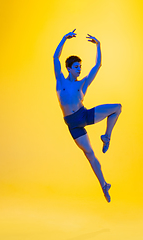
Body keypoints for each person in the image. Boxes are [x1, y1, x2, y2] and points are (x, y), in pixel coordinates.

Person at [53, 29, 122, 202]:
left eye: (80, 67)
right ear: (69, 68)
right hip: (73, 125)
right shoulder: (60, 81)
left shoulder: (82, 84)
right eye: (76, 67)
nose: (79, 70)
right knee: (90, 154)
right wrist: (63, 39)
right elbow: (55, 58)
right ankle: (104, 185)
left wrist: (98, 45)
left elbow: (97, 66)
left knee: (117, 108)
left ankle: (107, 136)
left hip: (84, 115)